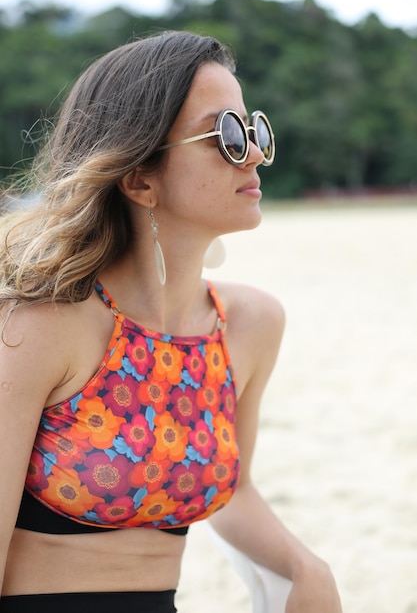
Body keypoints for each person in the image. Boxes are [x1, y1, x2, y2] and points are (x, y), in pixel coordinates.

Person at [0, 30, 342, 613]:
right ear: (140, 179)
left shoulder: (250, 325)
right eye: (227, 136)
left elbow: (235, 492)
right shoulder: (38, 326)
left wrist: (304, 566)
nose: (255, 153)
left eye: (253, 129)